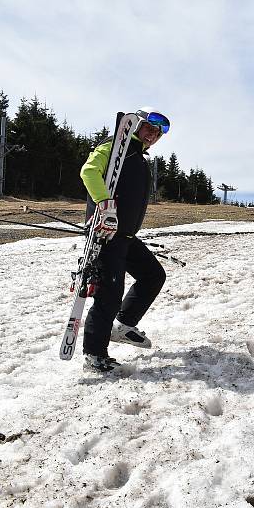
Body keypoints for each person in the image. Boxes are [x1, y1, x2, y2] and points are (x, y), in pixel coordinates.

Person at [79, 107, 171, 372]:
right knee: (109, 293)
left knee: (153, 275)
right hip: (105, 233)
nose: (153, 135)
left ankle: (124, 324)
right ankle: (94, 355)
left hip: (126, 235)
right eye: (149, 128)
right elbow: (89, 171)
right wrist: (104, 203)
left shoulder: (138, 157)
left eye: (158, 133)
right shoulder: (114, 146)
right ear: (136, 124)